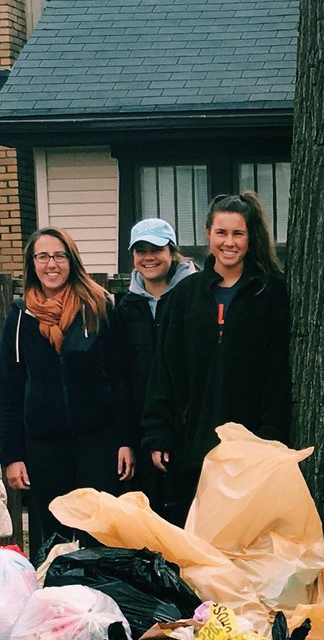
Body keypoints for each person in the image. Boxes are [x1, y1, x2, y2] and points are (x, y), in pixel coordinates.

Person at [141, 191, 291, 525]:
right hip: (193, 448)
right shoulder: (184, 296)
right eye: (221, 233)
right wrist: (159, 434)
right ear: (208, 233)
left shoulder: (271, 293)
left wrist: (270, 438)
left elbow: (278, 373)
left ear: (250, 238)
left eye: (238, 233)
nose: (229, 242)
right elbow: (164, 371)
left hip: (251, 450)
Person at [0, 227, 135, 545]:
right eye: (43, 256)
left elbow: (120, 379)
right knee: (55, 540)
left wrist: (126, 440)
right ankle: (57, 596)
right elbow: (9, 391)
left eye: (59, 255)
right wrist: (12, 456)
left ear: (71, 260)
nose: (51, 264)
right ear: (32, 263)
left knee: (99, 538)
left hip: (98, 445)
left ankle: (100, 597)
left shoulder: (98, 307)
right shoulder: (20, 318)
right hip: (44, 450)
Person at [109, 219, 197, 516]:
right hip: (143, 433)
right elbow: (120, 378)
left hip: (189, 430)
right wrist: (126, 440)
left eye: (156, 249)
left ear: (172, 251)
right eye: (141, 250)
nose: (149, 257)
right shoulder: (126, 308)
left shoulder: (195, 296)